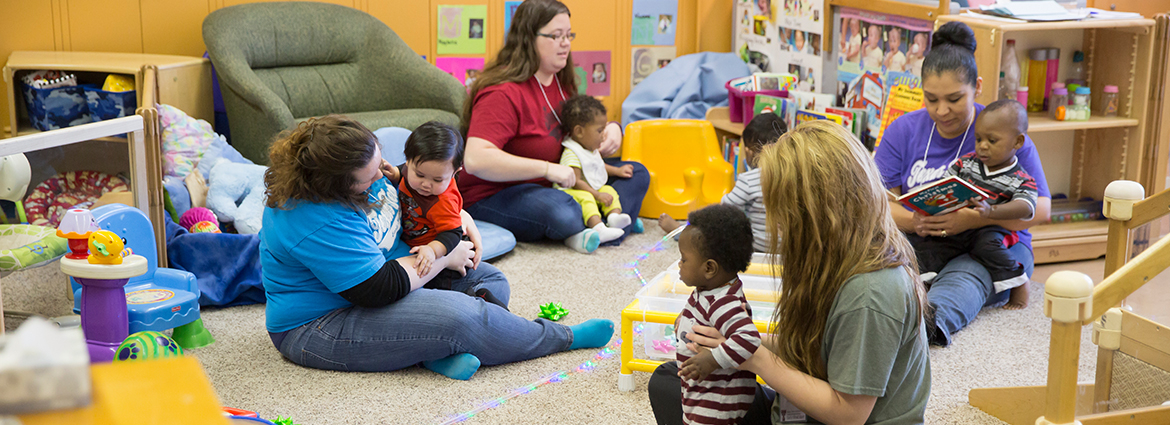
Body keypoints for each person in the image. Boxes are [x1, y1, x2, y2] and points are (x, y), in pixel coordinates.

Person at [259, 115, 615, 381]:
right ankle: (560, 337)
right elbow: (378, 288)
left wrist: (459, 216)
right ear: (334, 186)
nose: (383, 176)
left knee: (489, 279)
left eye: (381, 163)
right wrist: (444, 256)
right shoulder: (312, 218)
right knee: (460, 317)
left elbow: (412, 198)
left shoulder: (368, 173)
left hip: (391, 274)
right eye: (370, 178)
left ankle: (431, 349)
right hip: (322, 323)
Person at [649, 121, 930, 424]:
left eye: (779, 209)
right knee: (669, 379)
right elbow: (819, 349)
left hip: (835, 416)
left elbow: (848, 414)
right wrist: (736, 341)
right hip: (799, 411)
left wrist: (756, 357)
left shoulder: (870, 293)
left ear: (816, 212)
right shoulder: (830, 260)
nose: (773, 220)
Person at [875, 21, 1051, 346]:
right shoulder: (902, 131)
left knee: (968, 276)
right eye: (931, 99)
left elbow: (1040, 208)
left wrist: (975, 218)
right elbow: (878, 203)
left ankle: (927, 327)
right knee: (885, 265)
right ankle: (885, 311)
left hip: (992, 243)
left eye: (955, 99)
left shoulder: (1004, 128)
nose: (942, 111)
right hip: (924, 240)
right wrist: (916, 219)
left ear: (977, 87)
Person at [459, 0, 649, 254]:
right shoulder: (502, 92)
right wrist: (549, 169)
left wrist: (612, 128)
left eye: (568, 35)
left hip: (559, 183)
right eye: (556, 36)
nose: (566, 43)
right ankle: (609, 222)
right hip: (495, 194)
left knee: (636, 173)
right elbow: (475, 159)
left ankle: (598, 227)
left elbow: (584, 128)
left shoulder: (562, 82)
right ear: (528, 39)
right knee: (563, 210)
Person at [907, 100, 1037, 309]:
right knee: (926, 243)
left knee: (986, 246)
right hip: (957, 226)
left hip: (991, 228)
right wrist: (927, 198)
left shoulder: (1020, 178)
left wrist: (991, 211)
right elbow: (945, 185)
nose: (983, 145)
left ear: (1017, 142)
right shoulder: (965, 164)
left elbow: (1026, 207)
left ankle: (1019, 280)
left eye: (992, 140)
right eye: (978, 139)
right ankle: (927, 281)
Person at [673, 204, 761, 425]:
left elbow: (748, 338)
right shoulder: (710, 289)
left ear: (709, 268)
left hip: (718, 399)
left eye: (684, 259)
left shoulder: (724, 302)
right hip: (701, 391)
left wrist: (713, 359)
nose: (679, 264)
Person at [658, 113, 789, 252]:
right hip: (786, 252)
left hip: (753, 250)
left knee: (716, 226)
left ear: (749, 152)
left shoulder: (749, 180)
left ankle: (682, 231)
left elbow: (723, 211)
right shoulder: (794, 177)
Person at [557, 95, 634, 244]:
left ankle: (613, 218)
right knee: (587, 199)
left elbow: (597, 165)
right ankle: (598, 227)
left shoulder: (589, 148)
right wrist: (597, 195)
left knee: (610, 190)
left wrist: (617, 171)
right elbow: (576, 182)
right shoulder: (571, 153)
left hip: (590, 188)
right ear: (579, 131)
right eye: (600, 131)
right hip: (571, 191)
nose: (604, 135)